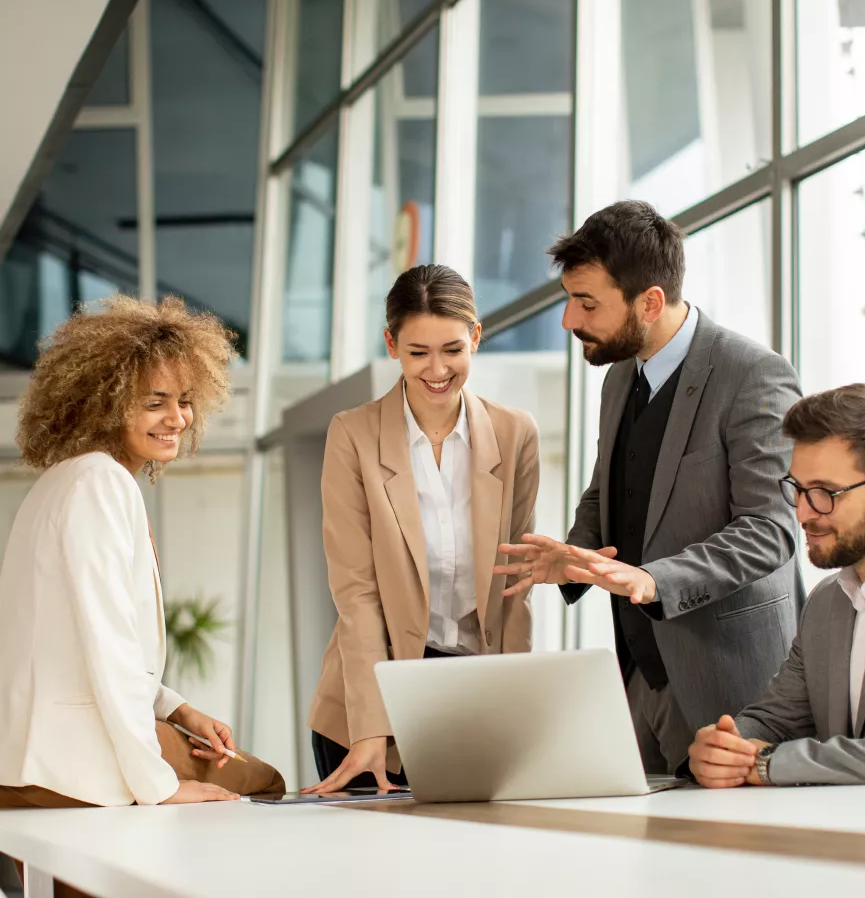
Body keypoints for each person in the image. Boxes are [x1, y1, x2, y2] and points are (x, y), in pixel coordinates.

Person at [496, 200, 804, 774]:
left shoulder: (753, 374)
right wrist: (574, 554)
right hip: (640, 673)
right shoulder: (619, 376)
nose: (569, 320)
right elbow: (607, 487)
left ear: (651, 301)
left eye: (586, 303)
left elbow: (772, 530)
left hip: (733, 684)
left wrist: (652, 579)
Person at [0, 296, 284, 827]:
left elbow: (76, 642)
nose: (176, 418)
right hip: (73, 770)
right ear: (105, 402)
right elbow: (107, 643)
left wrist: (177, 709)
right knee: (262, 783)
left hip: (29, 768)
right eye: (155, 402)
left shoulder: (64, 482)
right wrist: (159, 785)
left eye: (184, 400)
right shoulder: (100, 483)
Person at [304, 264, 540, 793]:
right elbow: (356, 593)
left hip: (473, 697)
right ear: (391, 344)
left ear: (476, 337)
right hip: (372, 702)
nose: (438, 369)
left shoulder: (515, 432)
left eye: (453, 350)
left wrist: (517, 712)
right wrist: (370, 727)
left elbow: (515, 586)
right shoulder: (353, 435)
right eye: (418, 353)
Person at [688, 384, 865, 787]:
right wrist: (725, 747)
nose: (802, 512)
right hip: (842, 839)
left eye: (824, 493)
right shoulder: (827, 600)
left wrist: (772, 764)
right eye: (797, 489)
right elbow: (775, 718)